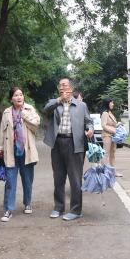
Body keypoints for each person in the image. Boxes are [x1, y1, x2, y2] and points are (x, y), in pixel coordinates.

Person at [44, 77, 93, 221]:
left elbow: (89, 121)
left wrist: (90, 129)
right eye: (60, 85)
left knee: (75, 179)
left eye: (64, 85)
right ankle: (58, 207)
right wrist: (59, 100)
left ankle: (76, 210)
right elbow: (46, 110)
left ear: (71, 89)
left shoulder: (81, 105)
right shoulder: (54, 103)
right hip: (57, 143)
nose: (61, 87)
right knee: (58, 177)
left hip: (75, 143)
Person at [0, 87, 41, 222]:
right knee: (10, 182)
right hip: (10, 151)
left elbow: (36, 124)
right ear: (11, 99)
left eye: (21, 95)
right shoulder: (6, 112)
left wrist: (23, 114)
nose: (19, 97)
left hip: (26, 151)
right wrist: (0, 148)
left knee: (27, 180)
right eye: (16, 95)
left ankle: (27, 202)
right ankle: (8, 209)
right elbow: (2, 131)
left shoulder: (29, 109)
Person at [100, 97, 120, 174]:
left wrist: (118, 124)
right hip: (107, 136)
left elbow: (113, 124)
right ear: (107, 103)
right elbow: (103, 125)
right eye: (111, 102)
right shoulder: (105, 113)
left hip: (113, 136)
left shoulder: (110, 113)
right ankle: (103, 171)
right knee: (106, 153)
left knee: (113, 154)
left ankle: (113, 172)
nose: (113, 104)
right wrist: (114, 131)